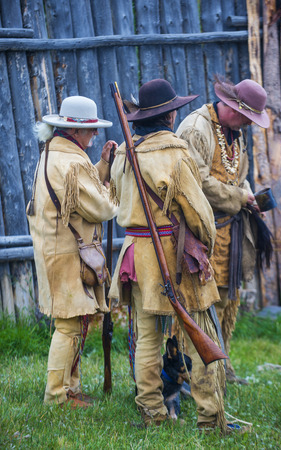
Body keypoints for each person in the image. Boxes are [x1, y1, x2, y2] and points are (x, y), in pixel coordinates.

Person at [109, 78, 234, 434]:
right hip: (172, 255)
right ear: (169, 116)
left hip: (136, 252)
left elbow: (116, 197)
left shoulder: (125, 154)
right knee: (201, 332)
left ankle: (152, 412)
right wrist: (205, 245)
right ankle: (211, 418)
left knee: (147, 337)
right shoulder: (175, 152)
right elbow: (198, 212)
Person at [176, 76, 270, 384]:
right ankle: (192, 370)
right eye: (248, 117)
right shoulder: (195, 128)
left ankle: (222, 364)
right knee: (200, 299)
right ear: (234, 108)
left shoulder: (235, 132)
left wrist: (249, 196)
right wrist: (241, 197)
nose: (249, 124)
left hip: (230, 230)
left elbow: (237, 175)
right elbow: (197, 181)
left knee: (229, 300)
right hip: (200, 230)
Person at [27, 96, 117, 408]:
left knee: (76, 322)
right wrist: (114, 188)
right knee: (69, 326)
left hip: (58, 250)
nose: (94, 135)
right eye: (90, 130)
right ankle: (56, 397)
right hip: (67, 254)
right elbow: (101, 206)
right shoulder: (72, 163)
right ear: (75, 132)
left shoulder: (55, 153)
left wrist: (102, 166)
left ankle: (69, 389)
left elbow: (79, 191)